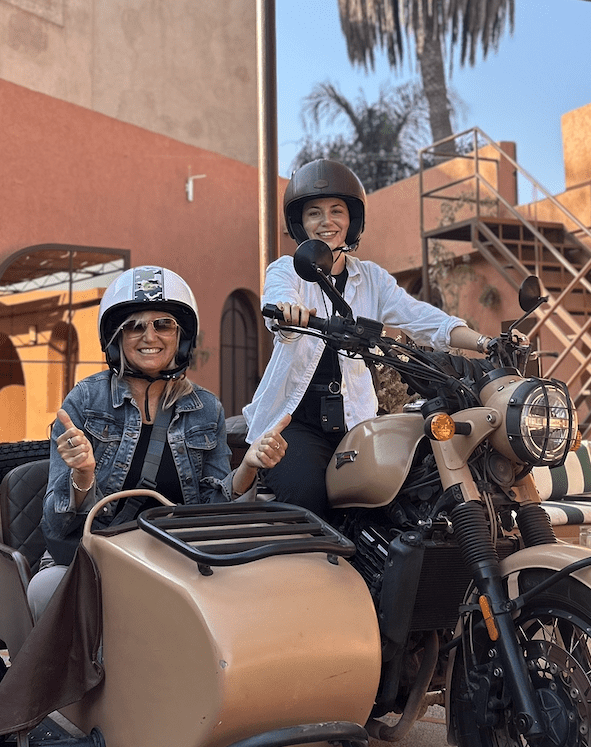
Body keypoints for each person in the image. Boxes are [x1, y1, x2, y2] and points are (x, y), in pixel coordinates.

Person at [28, 264, 289, 619]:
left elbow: (213, 514)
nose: (149, 336)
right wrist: (83, 476)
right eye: (134, 326)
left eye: (163, 324)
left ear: (181, 339)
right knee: (47, 589)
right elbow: (57, 527)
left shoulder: (205, 408)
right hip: (96, 556)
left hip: (177, 555)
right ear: (116, 339)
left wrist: (247, 467)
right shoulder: (85, 401)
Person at [242, 158, 492, 517]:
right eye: (314, 213)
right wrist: (288, 310)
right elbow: (279, 297)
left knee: (398, 498)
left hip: (354, 423)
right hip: (292, 423)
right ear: (300, 223)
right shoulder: (288, 270)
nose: (326, 222)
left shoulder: (371, 278)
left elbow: (422, 318)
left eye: (336, 211)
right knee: (307, 500)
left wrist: (483, 342)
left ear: (352, 220)